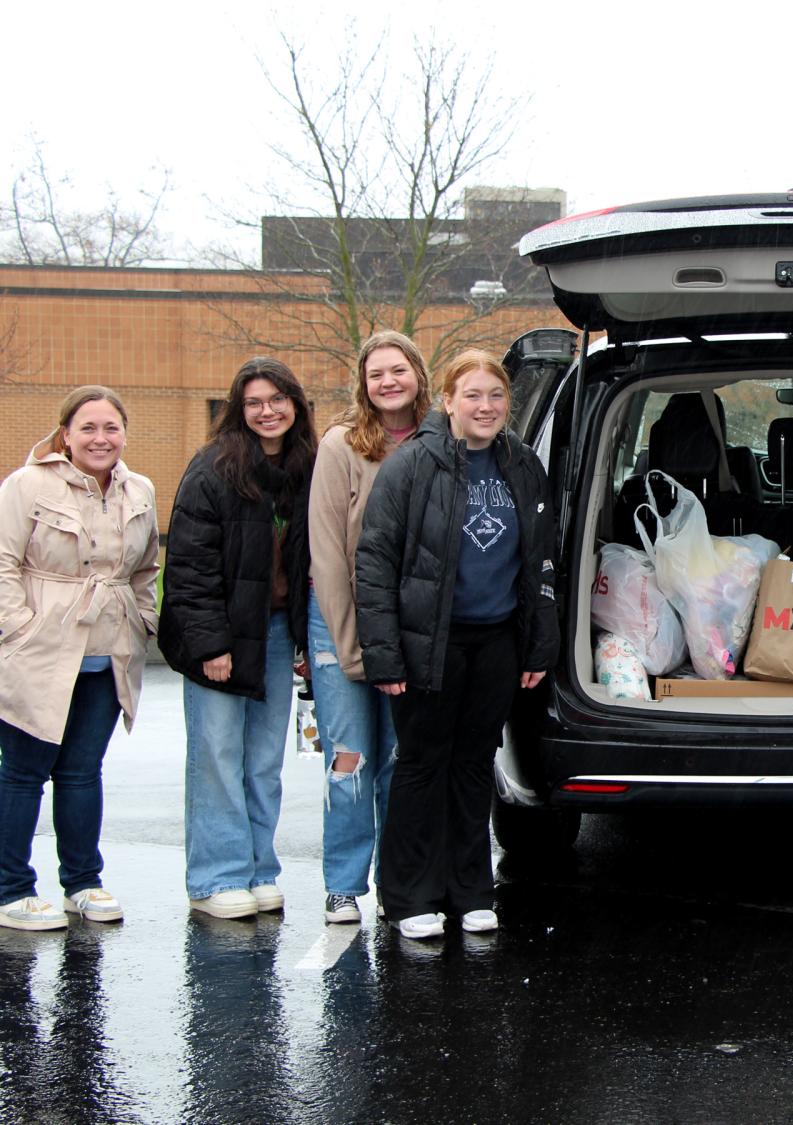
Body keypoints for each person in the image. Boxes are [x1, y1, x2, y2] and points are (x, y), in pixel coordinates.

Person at [356, 348, 559, 940]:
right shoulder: (412, 465)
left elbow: (541, 560)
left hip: (496, 642)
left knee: (473, 768)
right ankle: (410, 895)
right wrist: (385, 654)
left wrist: (537, 645)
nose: (486, 406)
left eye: (496, 396)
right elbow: (374, 563)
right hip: (429, 643)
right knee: (421, 767)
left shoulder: (521, 464)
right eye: (472, 395)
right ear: (447, 401)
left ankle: (470, 888)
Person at [159, 358, 315, 920]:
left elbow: (305, 567)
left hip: (274, 634)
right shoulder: (213, 470)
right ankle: (215, 878)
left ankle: (258, 870)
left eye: (277, 399)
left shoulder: (306, 468)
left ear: (295, 404)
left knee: (262, 763)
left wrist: (302, 641)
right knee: (217, 758)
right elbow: (189, 568)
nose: (267, 411)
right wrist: (209, 647)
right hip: (219, 639)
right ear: (238, 410)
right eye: (254, 402)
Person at [0, 387, 159, 930]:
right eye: (88, 427)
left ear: (123, 433)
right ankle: (12, 889)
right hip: (39, 653)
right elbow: (3, 562)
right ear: (65, 434)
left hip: (106, 655)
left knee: (81, 772)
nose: (100, 438)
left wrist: (144, 623)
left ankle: (83, 883)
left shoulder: (139, 490)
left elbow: (144, 571)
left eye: (111, 427)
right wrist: (18, 631)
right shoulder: (27, 485)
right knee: (23, 772)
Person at [308, 331, 431, 924]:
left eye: (397, 370)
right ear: (363, 384)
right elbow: (328, 554)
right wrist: (352, 647)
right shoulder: (341, 445)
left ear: (417, 374)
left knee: (401, 758)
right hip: (342, 616)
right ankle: (342, 882)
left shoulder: (442, 439)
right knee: (350, 755)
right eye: (376, 373)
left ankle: (396, 879)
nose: (388, 382)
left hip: (409, 623)